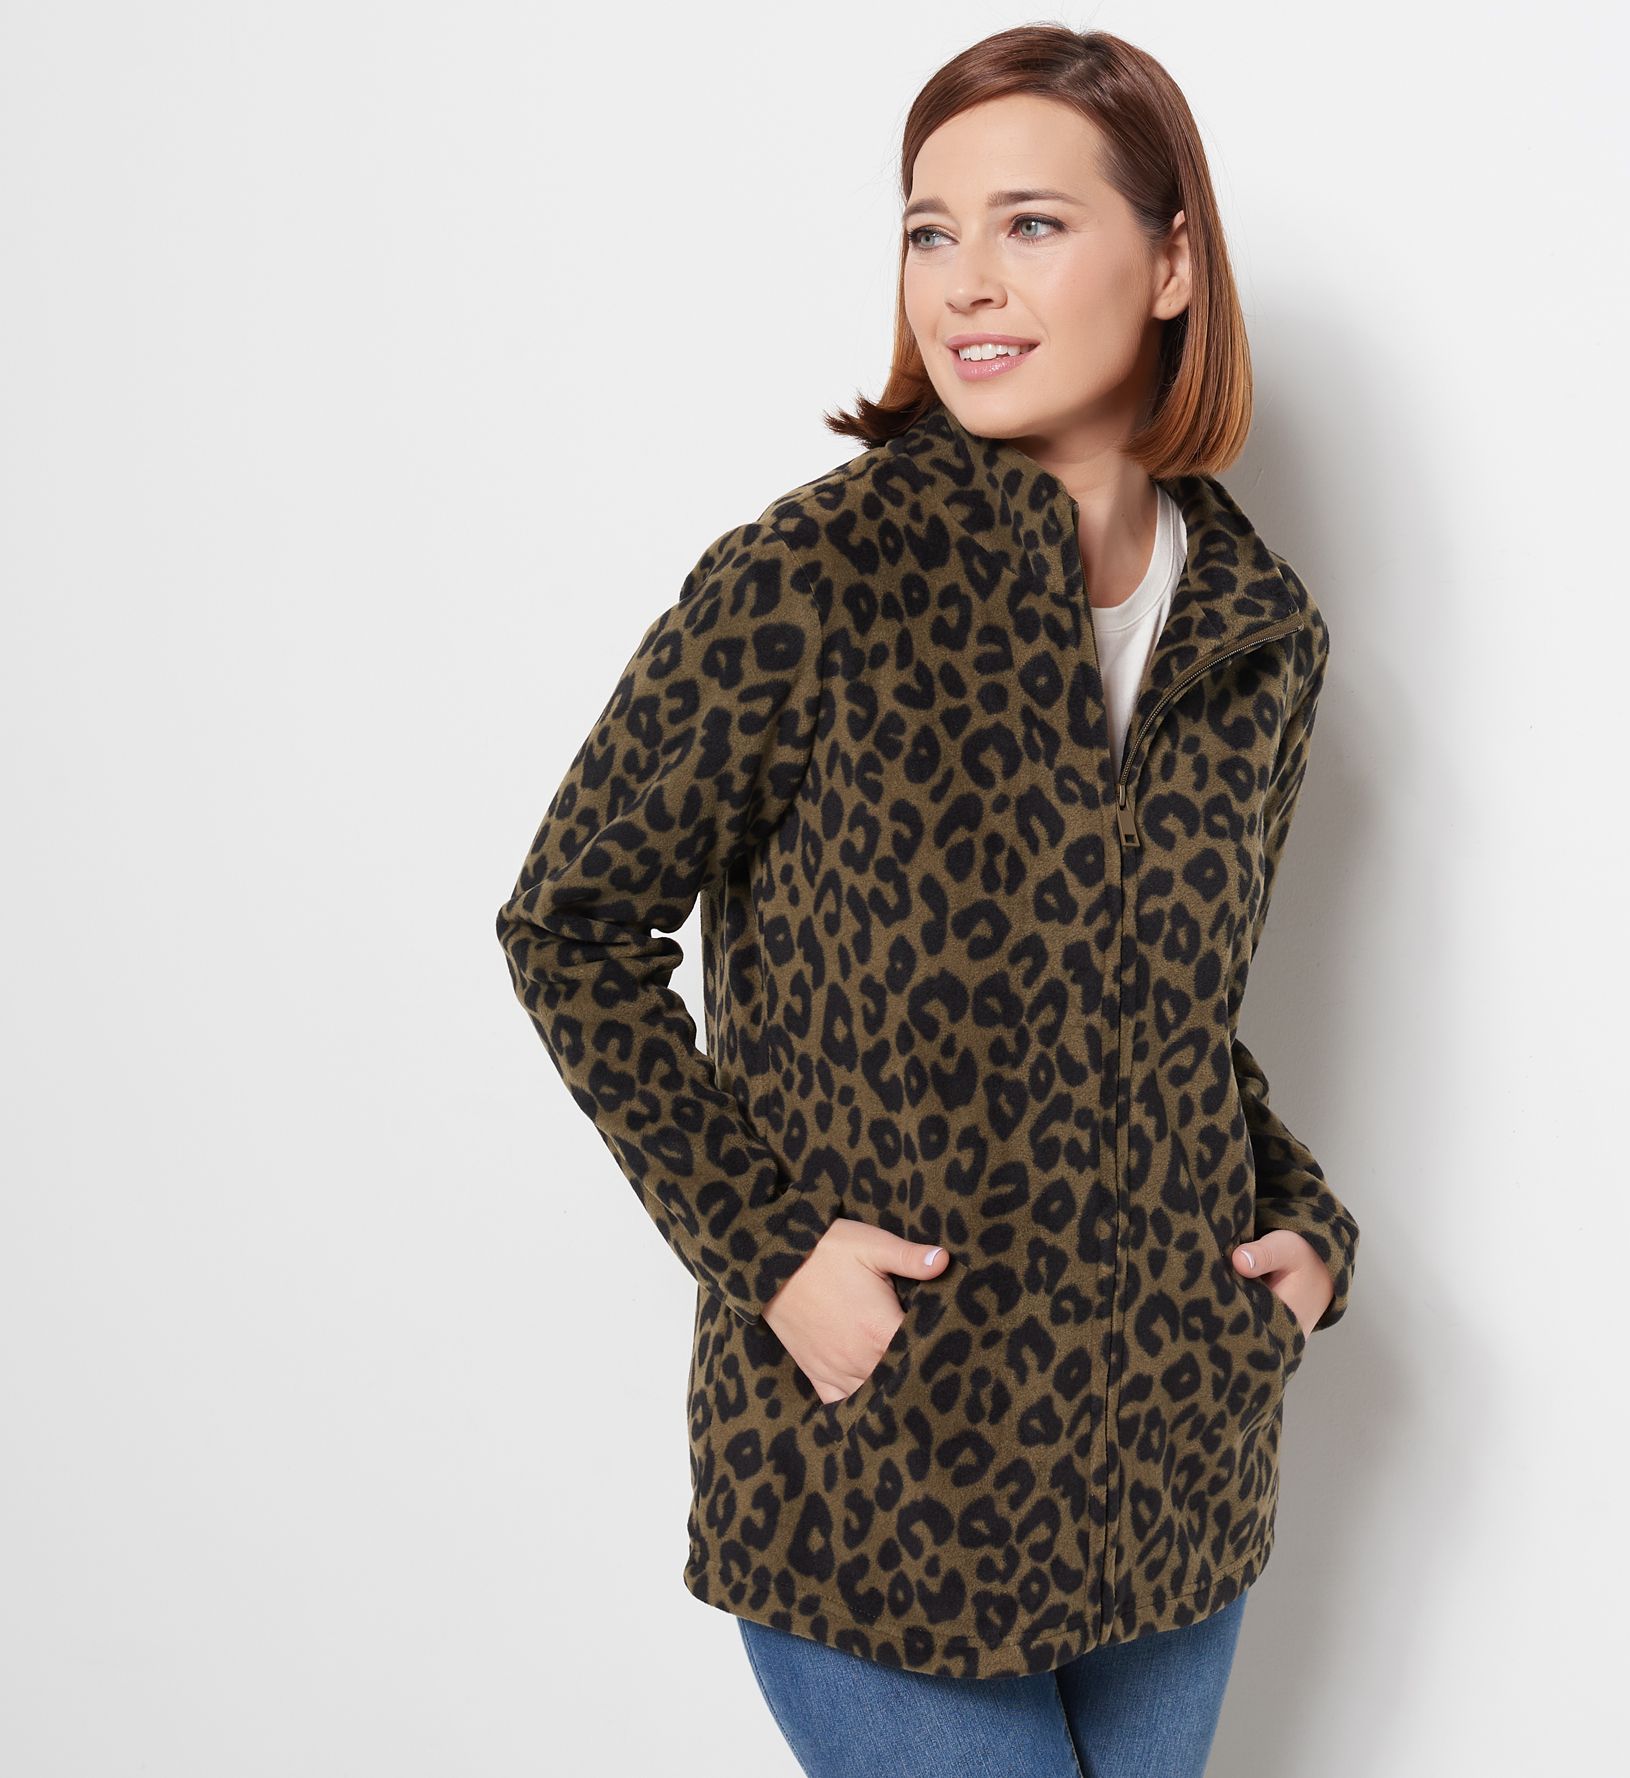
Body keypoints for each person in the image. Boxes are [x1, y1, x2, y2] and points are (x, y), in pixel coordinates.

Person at [494, 23, 1360, 1778]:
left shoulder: (1259, 634)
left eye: (1030, 223)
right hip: (878, 1472)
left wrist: (1300, 1231)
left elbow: (1176, 1016)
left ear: (1172, 260)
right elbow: (570, 927)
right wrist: (770, 1253)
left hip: (1174, 1474)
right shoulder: (814, 579)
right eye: (927, 230)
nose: (966, 281)